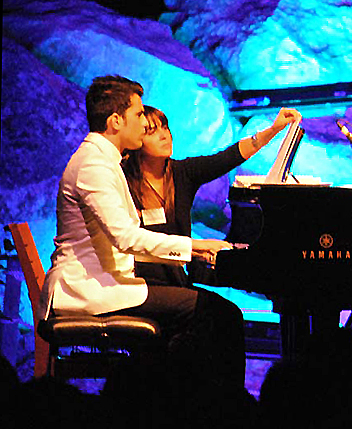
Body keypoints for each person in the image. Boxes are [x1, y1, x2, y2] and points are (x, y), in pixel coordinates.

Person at [40, 75, 241, 386]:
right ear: (116, 121)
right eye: (137, 115)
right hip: (92, 291)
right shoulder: (94, 166)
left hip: (112, 283)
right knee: (211, 312)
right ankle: (212, 408)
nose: (142, 122)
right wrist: (197, 247)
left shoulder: (104, 161)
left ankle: (180, 401)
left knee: (211, 311)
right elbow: (125, 237)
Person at [121, 103, 300, 287]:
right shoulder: (122, 180)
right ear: (135, 140)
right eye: (152, 132)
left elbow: (229, 157)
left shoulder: (182, 173)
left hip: (176, 281)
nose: (165, 135)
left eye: (165, 127)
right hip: (138, 282)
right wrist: (199, 247)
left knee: (226, 310)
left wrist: (273, 129)